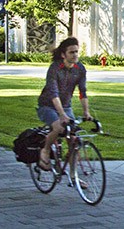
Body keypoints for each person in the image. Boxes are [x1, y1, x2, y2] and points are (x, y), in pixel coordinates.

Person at [36, 37, 91, 170]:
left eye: (77, 52)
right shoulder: (55, 68)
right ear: (63, 54)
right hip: (47, 106)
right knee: (59, 128)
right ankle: (45, 150)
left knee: (75, 140)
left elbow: (82, 91)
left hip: (66, 106)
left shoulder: (80, 69)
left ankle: (74, 177)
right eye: (71, 52)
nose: (75, 55)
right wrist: (61, 115)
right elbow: (53, 93)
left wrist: (86, 112)